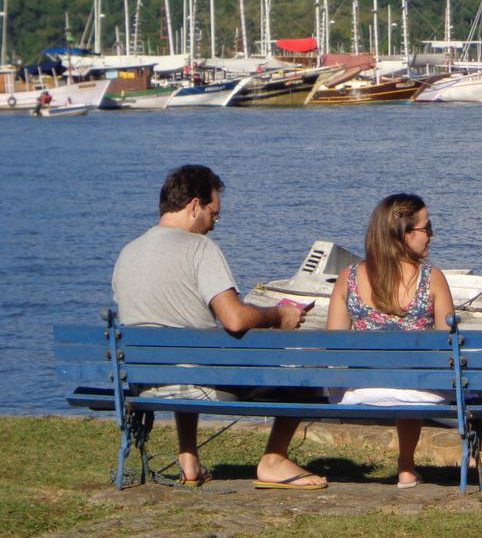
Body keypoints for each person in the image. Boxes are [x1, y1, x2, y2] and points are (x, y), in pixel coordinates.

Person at [112, 164, 327, 490]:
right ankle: (274, 460)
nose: (214, 224)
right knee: (305, 377)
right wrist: (279, 317)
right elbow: (234, 318)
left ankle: (189, 460)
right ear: (194, 205)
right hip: (197, 382)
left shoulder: (128, 253)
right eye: (214, 214)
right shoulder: (200, 249)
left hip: (144, 382)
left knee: (190, 352)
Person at [326, 193, 455, 488]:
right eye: (427, 227)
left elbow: (333, 347)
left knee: (404, 377)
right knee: (414, 379)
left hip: (358, 392)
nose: (432, 234)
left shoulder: (348, 278)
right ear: (403, 233)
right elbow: (446, 346)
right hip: (419, 393)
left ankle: (407, 465)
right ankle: (406, 467)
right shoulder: (432, 277)